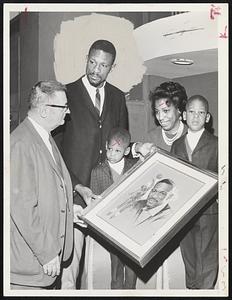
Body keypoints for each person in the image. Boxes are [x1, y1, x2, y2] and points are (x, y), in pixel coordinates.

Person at [54, 40, 128, 289]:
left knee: (113, 273)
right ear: (86, 58)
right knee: (69, 274)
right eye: (92, 62)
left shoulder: (118, 97)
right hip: (75, 199)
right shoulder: (66, 94)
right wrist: (76, 186)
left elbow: (122, 141)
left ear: (112, 67)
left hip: (109, 198)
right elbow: (55, 150)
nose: (96, 70)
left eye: (103, 65)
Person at [10, 81, 74, 289]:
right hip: (31, 266)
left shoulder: (44, 136)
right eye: (64, 106)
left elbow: (49, 190)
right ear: (45, 110)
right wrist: (47, 254)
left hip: (43, 263)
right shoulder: (21, 143)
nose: (68, 111)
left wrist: (72, 212)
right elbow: (22, 208)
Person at [171, 95, 218, 289]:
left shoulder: (217, 143)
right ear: (183, 115)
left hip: (208, 212)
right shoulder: (177, 145)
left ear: (207, 117)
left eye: (201, 113)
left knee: (207, 261)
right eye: (192, 112)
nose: (196, 117)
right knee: (189, 261)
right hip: (184, 214)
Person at [89, 127, 138, 289]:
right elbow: (94, 203)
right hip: (111, 228)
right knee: (116, 267)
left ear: (127, 151)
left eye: (117, 150)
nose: (112, 154)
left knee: (132, 268)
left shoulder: (135, 167)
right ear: (105, 145)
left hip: (132, 227)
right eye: (110, 149)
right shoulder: (97, 172)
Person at [133, 81, 188, 155]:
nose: (160, 117)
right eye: (157, 112)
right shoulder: (151, 137)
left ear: (179, 110)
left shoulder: (190, 135)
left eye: (165, 111)